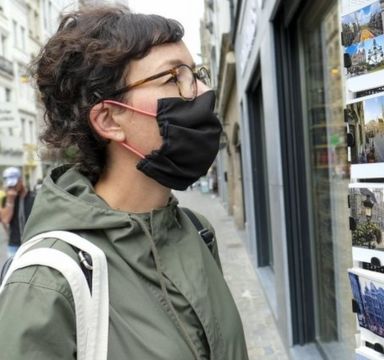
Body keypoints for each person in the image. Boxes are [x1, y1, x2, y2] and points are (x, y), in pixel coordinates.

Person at [0, 6, 248, 360]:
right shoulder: (46, 282)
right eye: (172, 78)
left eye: (195, 73)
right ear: (109, 119)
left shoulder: (196, 231)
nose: (201, 91)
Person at [0, 167, 36, 257]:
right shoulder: (6, 199)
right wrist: (10, 201)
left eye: (14, 184)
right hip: (14, 245)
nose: (12, 187)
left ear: (20, 180)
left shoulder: (33, 197)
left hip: (31, 243)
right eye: (10, 186)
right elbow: (5, 220)